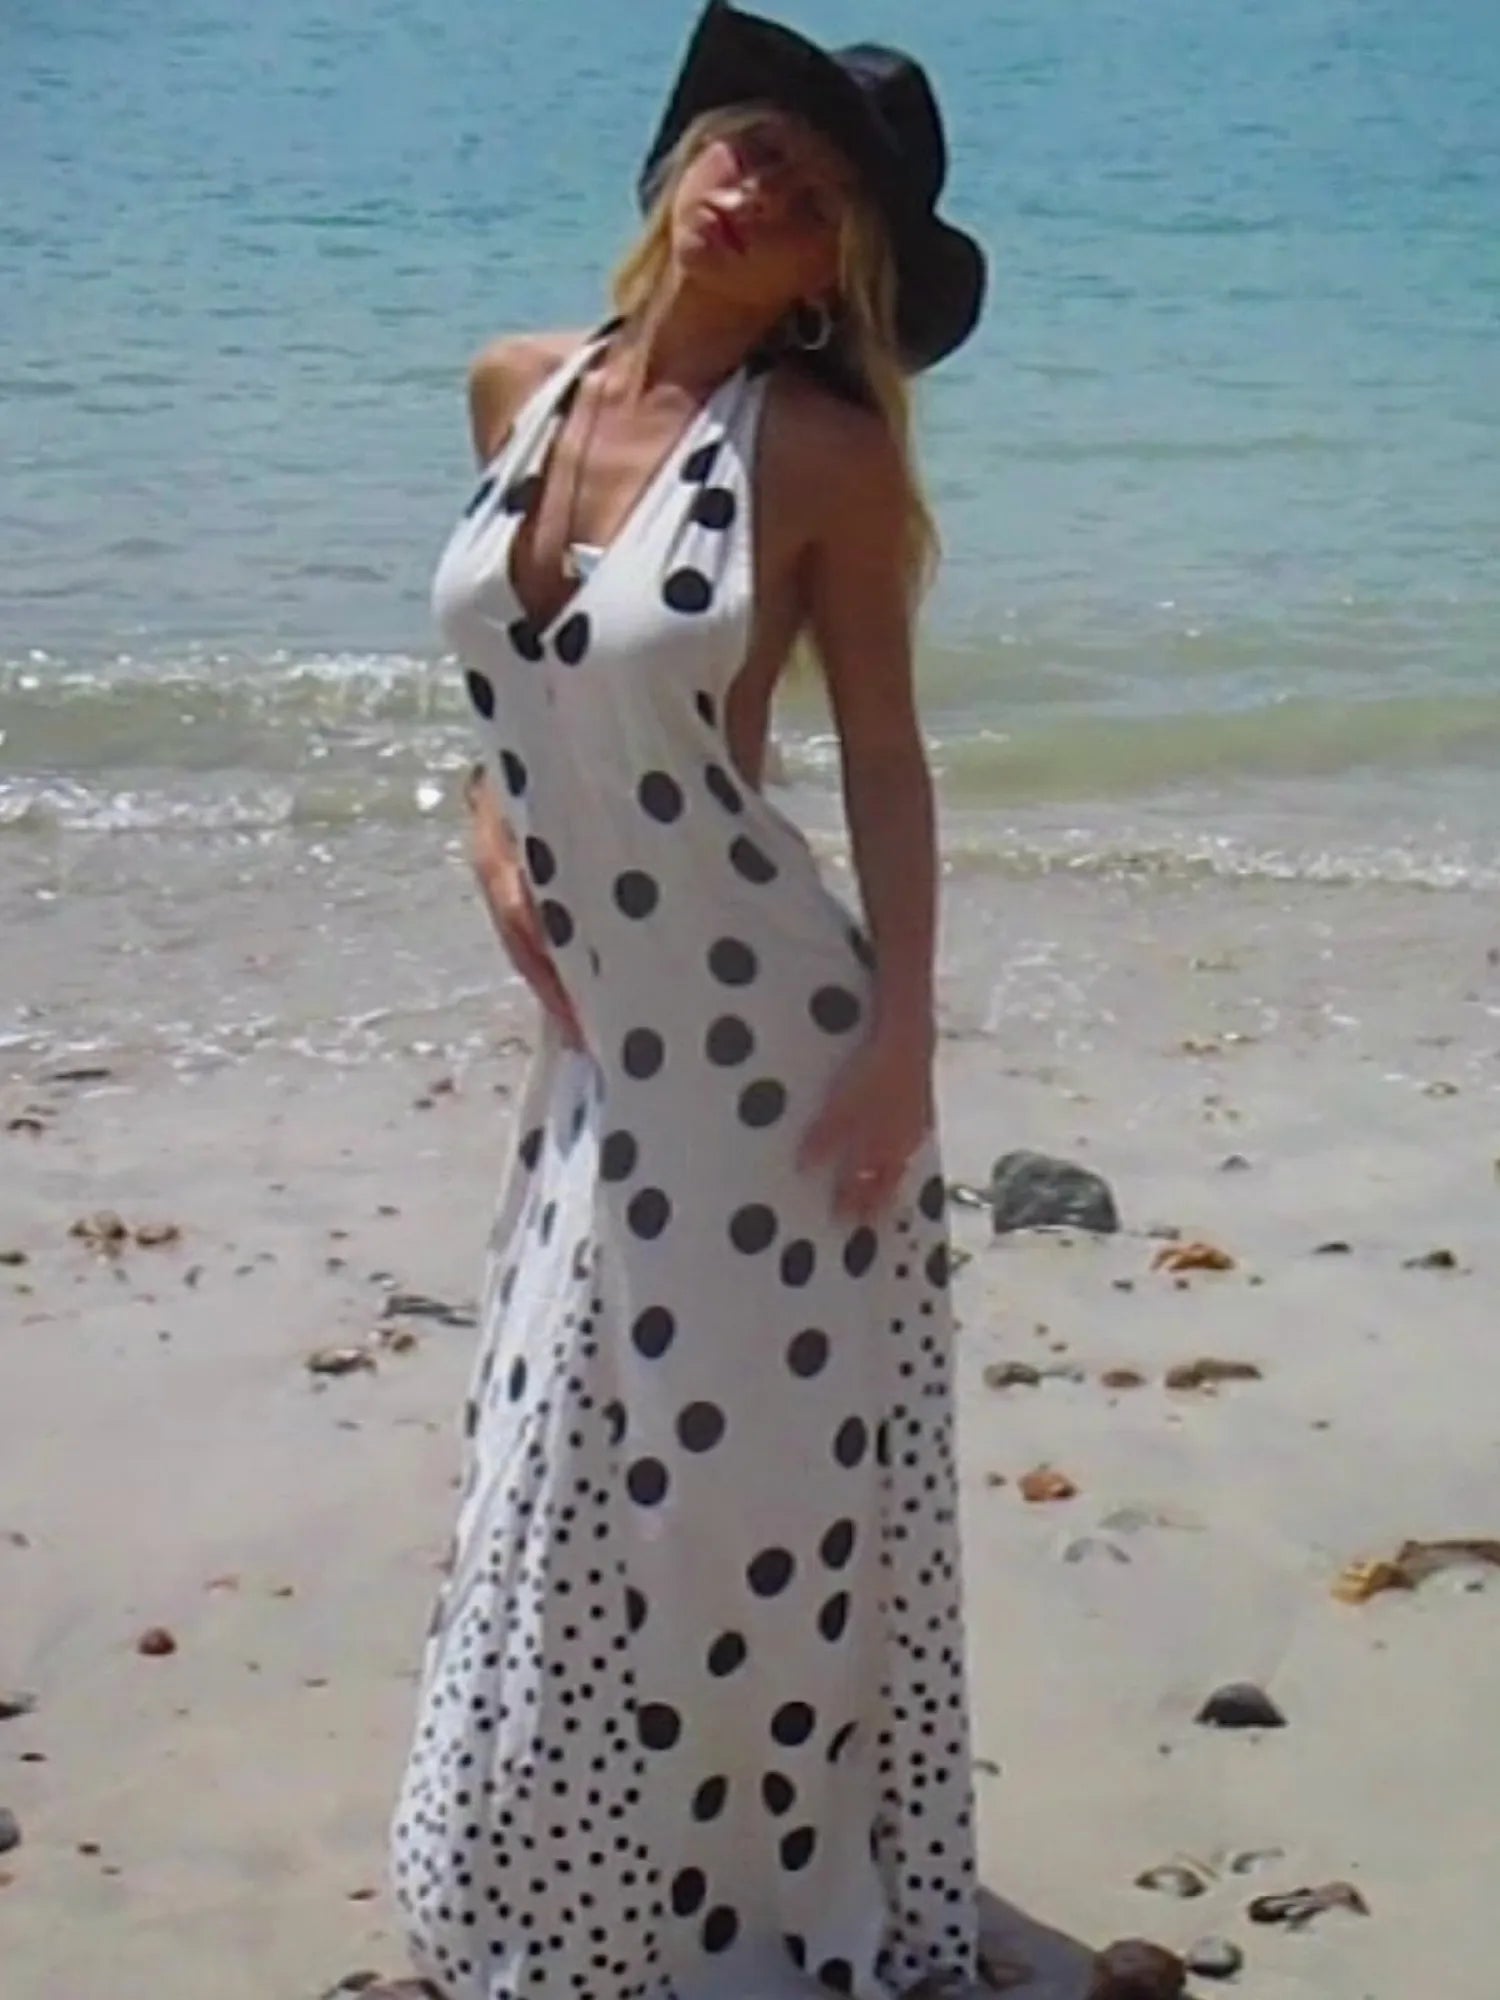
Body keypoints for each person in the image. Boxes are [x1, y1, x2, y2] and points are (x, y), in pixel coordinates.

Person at [384, 6, 987, 1998]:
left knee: (732, 1495)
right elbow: (521, 683)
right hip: (600, 1038)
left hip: (760, 1042)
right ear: (680, 159)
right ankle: (560, 1893)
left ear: (834, 275)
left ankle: (741, 1909)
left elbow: (881, 756)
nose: (756, 184)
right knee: (558, 1456)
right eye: (747, 142)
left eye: (808, 192)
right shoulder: (515, 384)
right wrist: (490, 833)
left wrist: (902, 1039)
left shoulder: (819, 455)